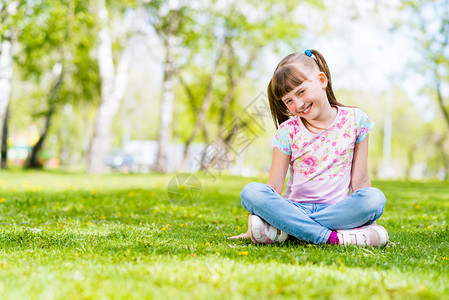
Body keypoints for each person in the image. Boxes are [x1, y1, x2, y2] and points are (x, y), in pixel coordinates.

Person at [229, 49, 388, 247]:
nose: (298, 104)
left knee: (374, 198)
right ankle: (332, 238)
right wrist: (269, 210)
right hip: (295, 209)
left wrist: (367, 219)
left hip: (338, 210)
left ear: (322, 80)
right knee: (251, 192)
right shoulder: (287, 132)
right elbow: (274, 186)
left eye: (301, 92)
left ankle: (288, 230)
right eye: (289, 101)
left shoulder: (356, 121)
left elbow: (361, 179)